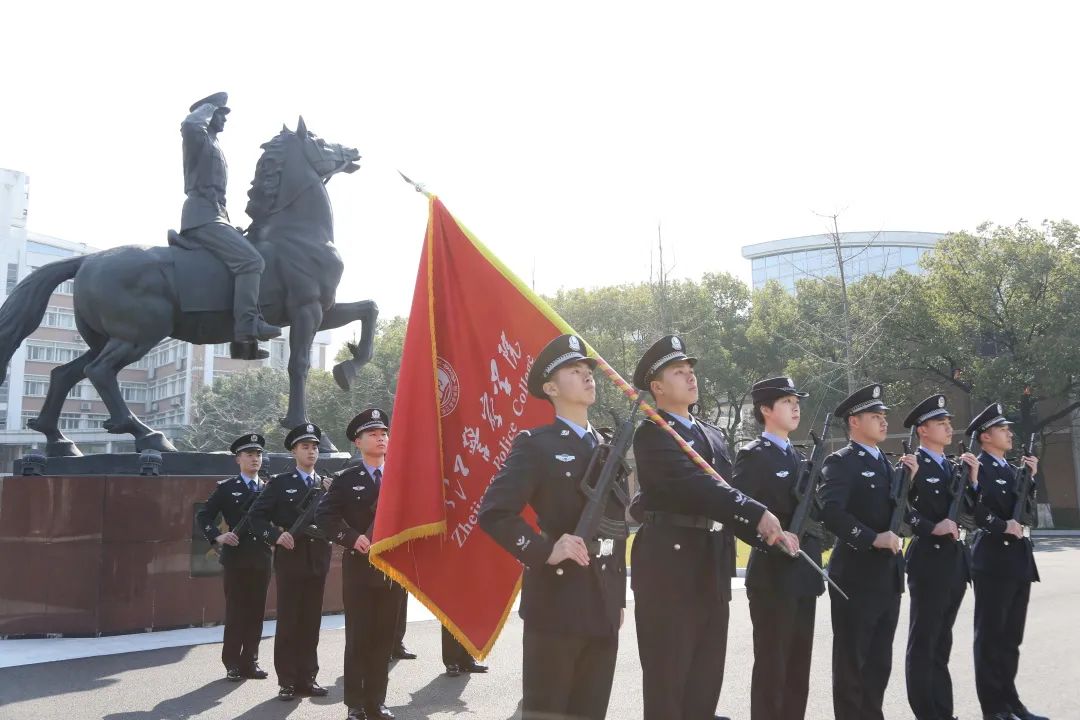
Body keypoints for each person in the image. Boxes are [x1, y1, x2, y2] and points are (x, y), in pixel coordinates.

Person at [629, 335, 796, 720]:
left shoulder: (713, 433)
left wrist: (766, 535)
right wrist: (757, 512)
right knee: (669, 683)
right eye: (679, 372)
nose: (691, 378)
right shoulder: (652, 433)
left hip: (711, 565)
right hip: (670, 568)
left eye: (691, 371)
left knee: (706, 681)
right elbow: (697, 486)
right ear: (656, 387)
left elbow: (727, 497)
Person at [478, 334, 628, 720]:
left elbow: (618, 529)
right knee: (549, 714)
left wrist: (619, 597)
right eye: (574, 371)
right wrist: (547, 550)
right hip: (558, 601)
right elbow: (495, 512)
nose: (587, 377)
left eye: (588, 371)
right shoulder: (536, 444)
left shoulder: (610, 447)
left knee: (590, 712)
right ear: (550, 388)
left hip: (603, 600)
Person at [730, 377, 823, 720]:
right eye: (786, 402)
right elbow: (737, 512)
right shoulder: (754, 456)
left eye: (796, 401)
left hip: (804, 575)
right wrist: (769, 538)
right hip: (773, 577)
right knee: (773, 670)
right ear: (765, 410)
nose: (795, 407)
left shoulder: (800, 459)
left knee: (799, 672)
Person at [818, 383, 907, 720]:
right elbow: (832, 512)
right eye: (875, 416)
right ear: (854, 422)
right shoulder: (841, 462)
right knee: (852, 663)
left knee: (879, 662)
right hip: (855, 576)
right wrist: (872, 538)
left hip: (888, 577)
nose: (884, 422)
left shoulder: (887, 464)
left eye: (884, 416)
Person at [316, 408, 404, 720]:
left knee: (384, 639)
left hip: (391, 571)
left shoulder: (400, 476)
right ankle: (355, 703)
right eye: (373, 434)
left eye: (384, 434)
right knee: (358, 638)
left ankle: (376, 702)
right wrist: (351, 537)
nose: (381, 438)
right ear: (358, 441)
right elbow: (323, 516)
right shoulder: (346, 479)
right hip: (359, 569)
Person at [179, 91, 280, 359]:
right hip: (201, 217)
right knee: (251, 262)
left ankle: (242, 347)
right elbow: (190, 124)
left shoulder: (213, 143)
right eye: (221, 114)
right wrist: (209, 107)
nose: (225, 119)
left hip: (216, 215)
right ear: (210, 114)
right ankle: (248, 326)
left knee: (247, 257)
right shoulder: (198, 137)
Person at [901, 394, 979, 720]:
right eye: (941, 423)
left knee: (941, 645)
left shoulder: (953, 467)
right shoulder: (912, 464)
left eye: (949, 423)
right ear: (923, 430)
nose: (949, 428)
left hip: (954, 563)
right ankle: (927, 713)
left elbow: (974, 515)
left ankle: (944, 712)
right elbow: (901, 513)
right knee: (924, 643)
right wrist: (932, 527)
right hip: (928, 560)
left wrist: (974, 482)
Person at [967, 403, 1047, 720]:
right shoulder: (978, 468)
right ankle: (994, 707)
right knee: (990, 637)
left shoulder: (1012, 470)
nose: (1009, 433)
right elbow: (975, 511)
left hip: (1018, 560)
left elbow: (1027, 514)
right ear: (986, 436)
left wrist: (1031, 478)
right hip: (993, 560)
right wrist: (1002, 526)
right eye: (1002, 429)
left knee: (1011, 638)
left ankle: (1011, 701)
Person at [250, 423, 331, 701]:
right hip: (291, 560)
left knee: (311, 622)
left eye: (314, 447)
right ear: (294, 451)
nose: (311, 452)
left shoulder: (326, 484)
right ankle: (287, 680)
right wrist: (275, 536)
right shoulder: (280, 483)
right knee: (289, 621)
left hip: (318, 559)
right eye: (305, 447)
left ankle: (308, 677)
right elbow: (255, 518)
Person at [195, 432, 272, 682]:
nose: (255, 459)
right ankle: (232, 663)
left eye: (258, 454)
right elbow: (204, 516)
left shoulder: (268, 488)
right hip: (236, 558)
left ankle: (251, 660)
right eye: (249, 455)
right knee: (237, 611)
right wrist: (218, 536)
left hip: (261, 557)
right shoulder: (227, 488)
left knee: (257, 612)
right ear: (238, 459)